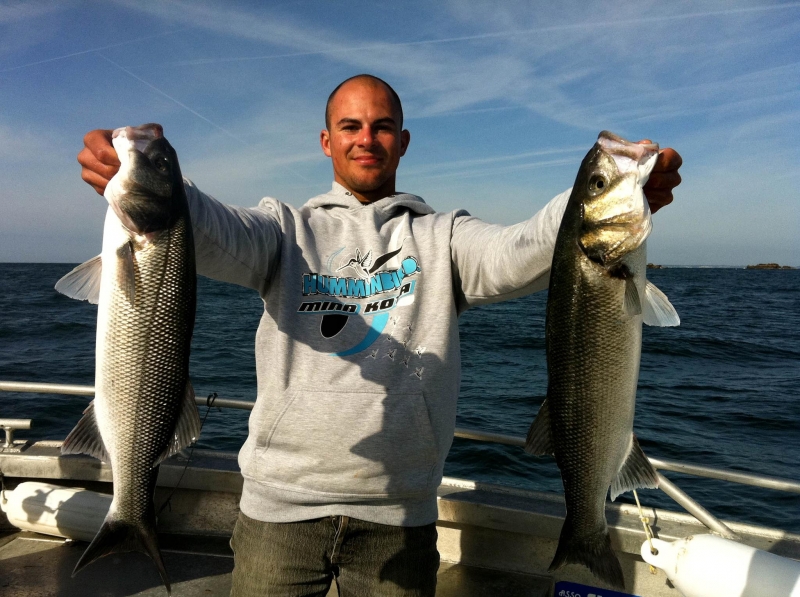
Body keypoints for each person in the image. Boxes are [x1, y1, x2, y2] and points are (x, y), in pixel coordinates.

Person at [78, 74, 682, 597]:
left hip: (401, 514)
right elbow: (209, 229)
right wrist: (150, 182)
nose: (366, 138)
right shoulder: (281, 231)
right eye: (350, 126)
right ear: (327, 141)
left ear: (403, 141)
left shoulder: (446, 237)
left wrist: (591, 198)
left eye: (382, 125)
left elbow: (521, 250)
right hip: (276, 512)